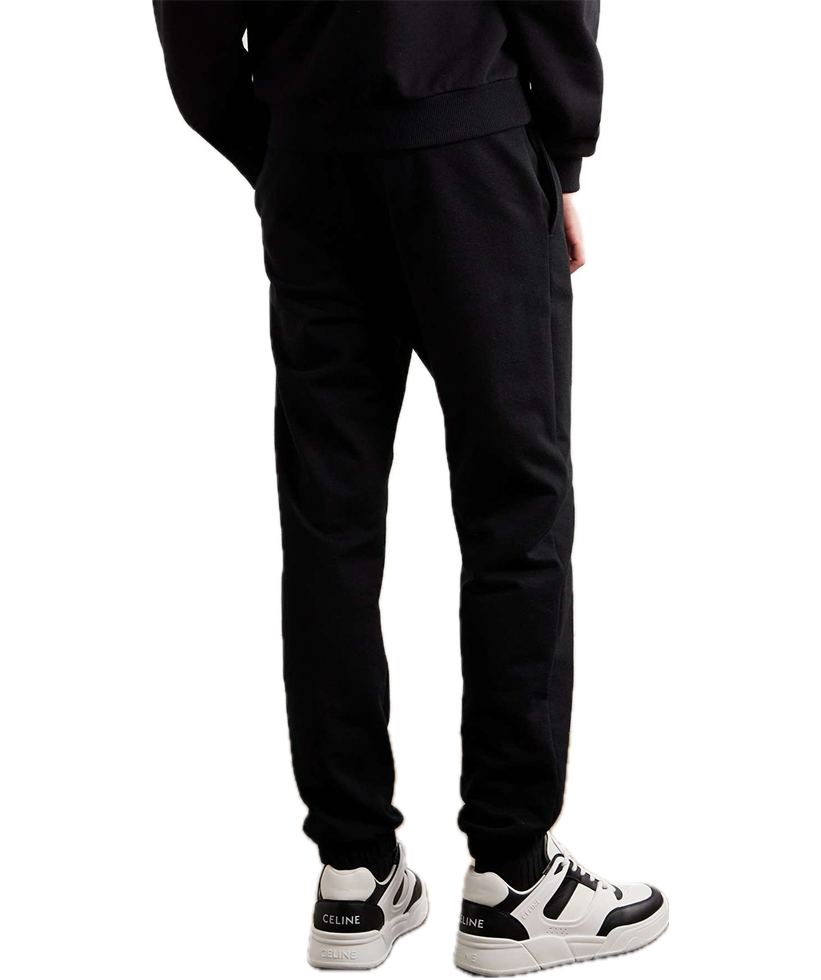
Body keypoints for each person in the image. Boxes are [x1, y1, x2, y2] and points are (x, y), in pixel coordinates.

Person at [154, 1, 668, 972]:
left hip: (312, 158)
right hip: (467, 149)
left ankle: (352, 872)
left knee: (328, 525)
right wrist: (560, 150)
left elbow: (192, 17)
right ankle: (511, 880)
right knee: (515, 509)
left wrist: (279, 142)